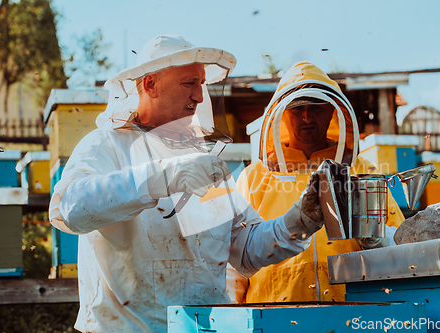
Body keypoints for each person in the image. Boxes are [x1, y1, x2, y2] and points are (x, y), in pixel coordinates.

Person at [49, 36, 325, 333]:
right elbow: (68, 209)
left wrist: (299, 221)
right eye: (189, 83)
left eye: (202, 84)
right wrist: (161, 177)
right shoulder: (106, 145)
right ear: (150, 84)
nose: (199, 97)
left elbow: (246, 249)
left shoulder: (200, 161)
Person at [228, 62, 405, 304]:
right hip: (271, 317)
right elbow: (233, 263)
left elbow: (401, 246)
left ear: (333, 111)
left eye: (317, 107)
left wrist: (377, 238)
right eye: (296, 108)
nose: (307, 116)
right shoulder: (253, 178)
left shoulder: (361, 169)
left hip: (353, 313)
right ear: (281, 113)